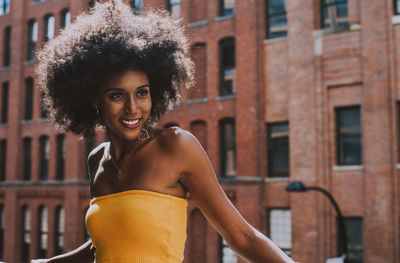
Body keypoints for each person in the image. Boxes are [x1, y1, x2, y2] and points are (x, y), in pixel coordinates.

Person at [31, 1, 295, 263]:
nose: (133, 108)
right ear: (93, 99)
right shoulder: (97, 159)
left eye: (142, 93)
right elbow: (106, 244)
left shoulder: (176, 146)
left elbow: (242, 237)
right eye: (116, 95)